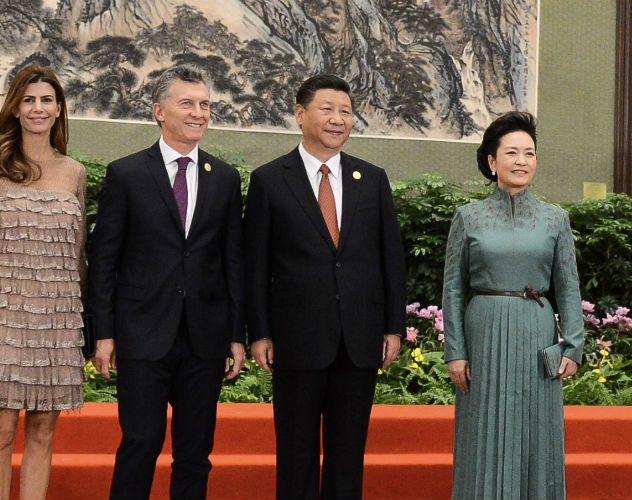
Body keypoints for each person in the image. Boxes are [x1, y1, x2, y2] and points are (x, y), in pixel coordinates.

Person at [243, 74, 406, 500]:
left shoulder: (371, 179)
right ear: (300, 115)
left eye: (346, 112)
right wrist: (259, 331)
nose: (338, 120)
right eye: (328, 110)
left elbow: (391, 259)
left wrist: (393, 327)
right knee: (295, 456)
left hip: (359, 337)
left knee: (348, 455)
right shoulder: (269, 180)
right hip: (296, 339)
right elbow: (255, 265)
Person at [87, 65, 245, 500]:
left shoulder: (226, 178)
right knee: (140, 442)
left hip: (204, 338)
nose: (199, 113)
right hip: (142, 334)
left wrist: (236, 334)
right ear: (159, 111)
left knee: (195, 453)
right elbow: (104, 260)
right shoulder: (127, 173)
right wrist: (103, 333)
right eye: (188, 103)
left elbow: (234, 262)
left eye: (206, 105)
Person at [0, 65, 87, 500]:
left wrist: (90, 328)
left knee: (44, 431)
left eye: (46, 99)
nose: (37, 108)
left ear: (59, 109)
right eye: (28, 99)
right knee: (1, 429)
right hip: (2, 313)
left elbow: (79, 256)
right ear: (14, 108)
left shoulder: (74, 172)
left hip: (58, 319)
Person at [443, 111, 585, 499]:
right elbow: (453, 288)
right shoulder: (468, 217)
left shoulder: (555, 219)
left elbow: (568, 286)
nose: (522, 161)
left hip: (537, 334)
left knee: (536, 429)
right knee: (482, 428)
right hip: (483, 332)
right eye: (512, 153)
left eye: (529, 153)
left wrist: (573, 344)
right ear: (492, 162)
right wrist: (455, 351)